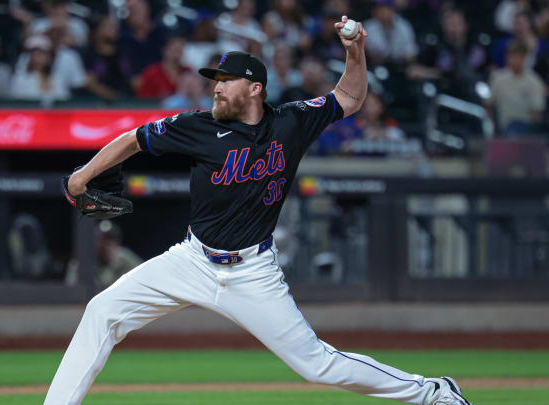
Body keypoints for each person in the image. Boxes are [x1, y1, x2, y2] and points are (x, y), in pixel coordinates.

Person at [50, 16, 471, 405]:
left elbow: (349, 97)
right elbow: (134, 139)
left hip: (252, 273)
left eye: (226, 80)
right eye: (215, 79)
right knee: (101, 311)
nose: (216, 87)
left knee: (316, 364)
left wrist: (354, 50)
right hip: (192, 260)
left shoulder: (290, 123)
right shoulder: (196, 126)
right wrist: (79, 178)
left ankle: (432, 392)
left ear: (254, 88)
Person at [488, 41, 546, 135]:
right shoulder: (497, 78)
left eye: (517, 56)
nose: (513, 59)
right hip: (502, 128)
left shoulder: (534, 82)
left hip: (526, 129)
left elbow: (537, 112)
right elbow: (489, 105)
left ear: (524, 58)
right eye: (510, 56)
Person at [93, 221, 142, 289]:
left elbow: (144, 276)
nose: (106, 245)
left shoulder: (124, 258)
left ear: (117, 242)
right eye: (102, 240)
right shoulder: (87, 260)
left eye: (110, 239)